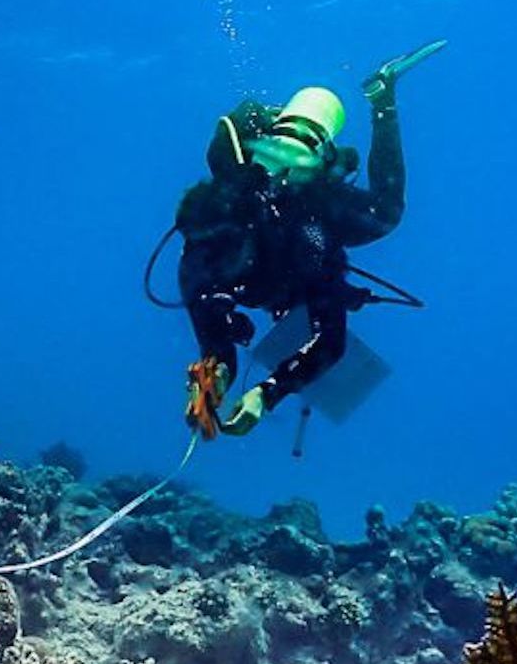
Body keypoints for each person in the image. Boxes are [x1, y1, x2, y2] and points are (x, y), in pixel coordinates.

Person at [175, 42, 438, 437]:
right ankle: (383, 98)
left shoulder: (262, 201)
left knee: (216, 291)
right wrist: (248, 382)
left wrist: (257, 384)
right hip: (273, 272)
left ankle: (219, 365)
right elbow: (330, 339)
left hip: (248, 273)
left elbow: (195, 268)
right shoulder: (301, 218)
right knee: (374, 226)